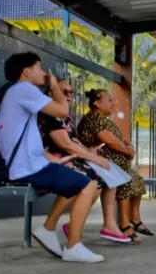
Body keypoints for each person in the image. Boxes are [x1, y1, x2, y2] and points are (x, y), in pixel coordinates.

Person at [0, 53, 104, 263]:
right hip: (26, 168)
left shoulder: (11, 93)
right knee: (88, 185)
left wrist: (51, 160)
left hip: (24, 164)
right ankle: (73, 246)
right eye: (40, 68)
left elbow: (26, 140)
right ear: (26, 71)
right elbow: (62, 111)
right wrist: (54, 86)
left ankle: (48, 229)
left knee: (74, 180)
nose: (44, 74)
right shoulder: (24, 89)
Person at [38, 79, 141, 245]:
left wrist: (90, 152)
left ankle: (108, 225)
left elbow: (74, 143)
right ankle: (60, 231)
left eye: (71, 92)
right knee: (93, 178)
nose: (69, 95)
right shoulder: (52, 114)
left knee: (107, 173)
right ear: (51, 92)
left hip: (73, 156)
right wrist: (93, 156)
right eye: (64, 91)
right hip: (58, 158)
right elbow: (65, 145)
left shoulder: (64, 116)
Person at [77, 89, 153, 239]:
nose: (114, 103)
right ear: (97, 103)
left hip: (115, 162)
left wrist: (129, 146)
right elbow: (110, 141)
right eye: (110, 100)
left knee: (137, 182)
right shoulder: (93, 118)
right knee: (126, 182)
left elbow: (120, 138)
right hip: (102, 161)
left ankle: (135, 219)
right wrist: (126, 151)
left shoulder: (105, 119)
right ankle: (124, 224)